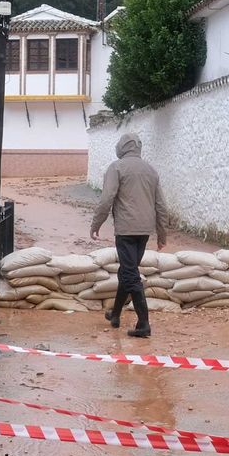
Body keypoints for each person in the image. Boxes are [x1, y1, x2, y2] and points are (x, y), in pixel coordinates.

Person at [89, 132, 169, 339]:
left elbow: (107, 198)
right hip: (144, 231)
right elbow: (160, 205)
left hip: (125, 230)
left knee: (131, 274)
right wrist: (161, 233)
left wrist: (96, 223)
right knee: (127, 271)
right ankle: (115, 315)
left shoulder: (116, 167)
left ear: (122, 147)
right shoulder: (151, 170)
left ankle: (144, 323)